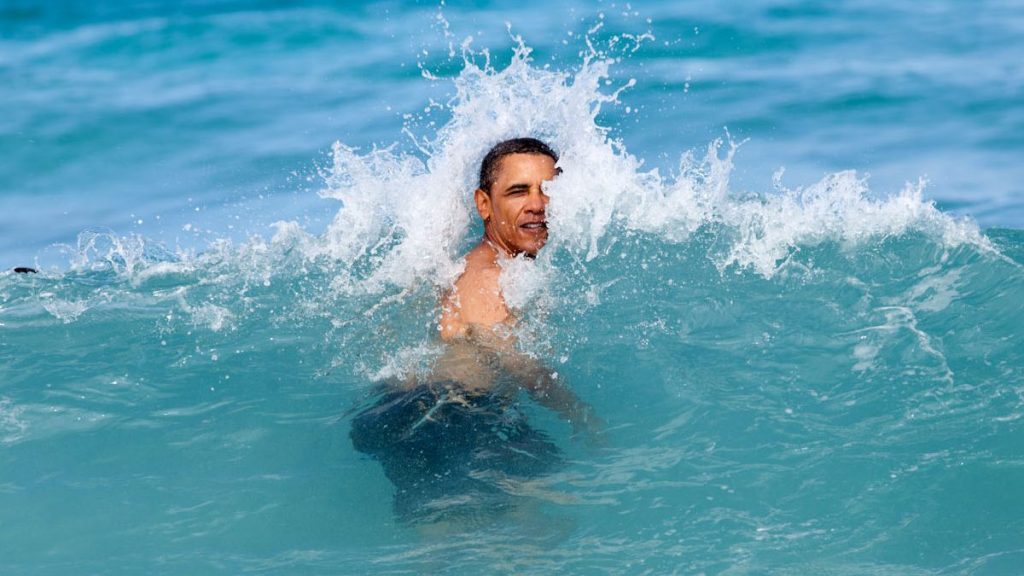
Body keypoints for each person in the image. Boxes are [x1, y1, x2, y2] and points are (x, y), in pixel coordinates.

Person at [350, 137, 603, 524]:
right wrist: (578, 412)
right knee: (541, 518)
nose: (538, 203)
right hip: (442, 417)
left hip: (430, 411)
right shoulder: (486, 276)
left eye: (548, 190)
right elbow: (514, 361)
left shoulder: (494, 264)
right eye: (519, 191)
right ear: (484, 203)